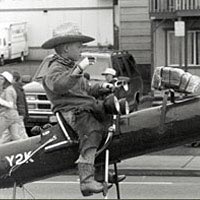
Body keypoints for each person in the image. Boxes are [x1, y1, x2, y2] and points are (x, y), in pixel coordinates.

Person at [41, 22, 124, 196]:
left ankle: (100, 173)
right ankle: (86, 180)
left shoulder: (70, 67)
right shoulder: (54, 69)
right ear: (65, 49)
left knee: (105, 131)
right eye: (78, 47)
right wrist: (79, 68)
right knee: (92, 131)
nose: (81, 50)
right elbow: (59, 85)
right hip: (73, 112)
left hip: (84, 108)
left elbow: (86, 88)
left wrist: (103, 86)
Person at [0, 71, 22, 143]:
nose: (1, 80)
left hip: (7, 115)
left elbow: (10, 104)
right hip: (14, 115)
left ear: (6, 81)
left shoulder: (8, 90)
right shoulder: (10, 89)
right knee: (15, 136)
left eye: (2, 79)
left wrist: (0, 101)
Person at [12, 71, 29, 139]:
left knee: (20, 134)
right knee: (20, 133)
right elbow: (24, 103)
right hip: (19, 114)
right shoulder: (20, 88)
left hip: (16, 114)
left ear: (14, 78)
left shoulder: (14, 88)